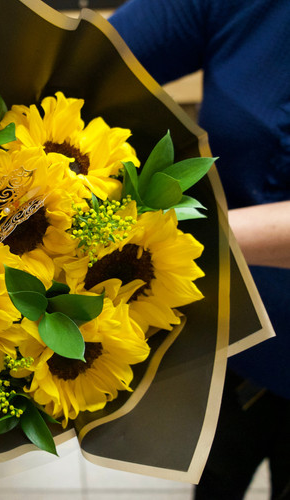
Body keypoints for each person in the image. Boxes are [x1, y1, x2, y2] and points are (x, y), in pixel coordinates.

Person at [109, 1, 290, 499]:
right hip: (231, 341)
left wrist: (157, 241)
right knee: (214, 479)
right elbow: (85, 62)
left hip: (220, 276)